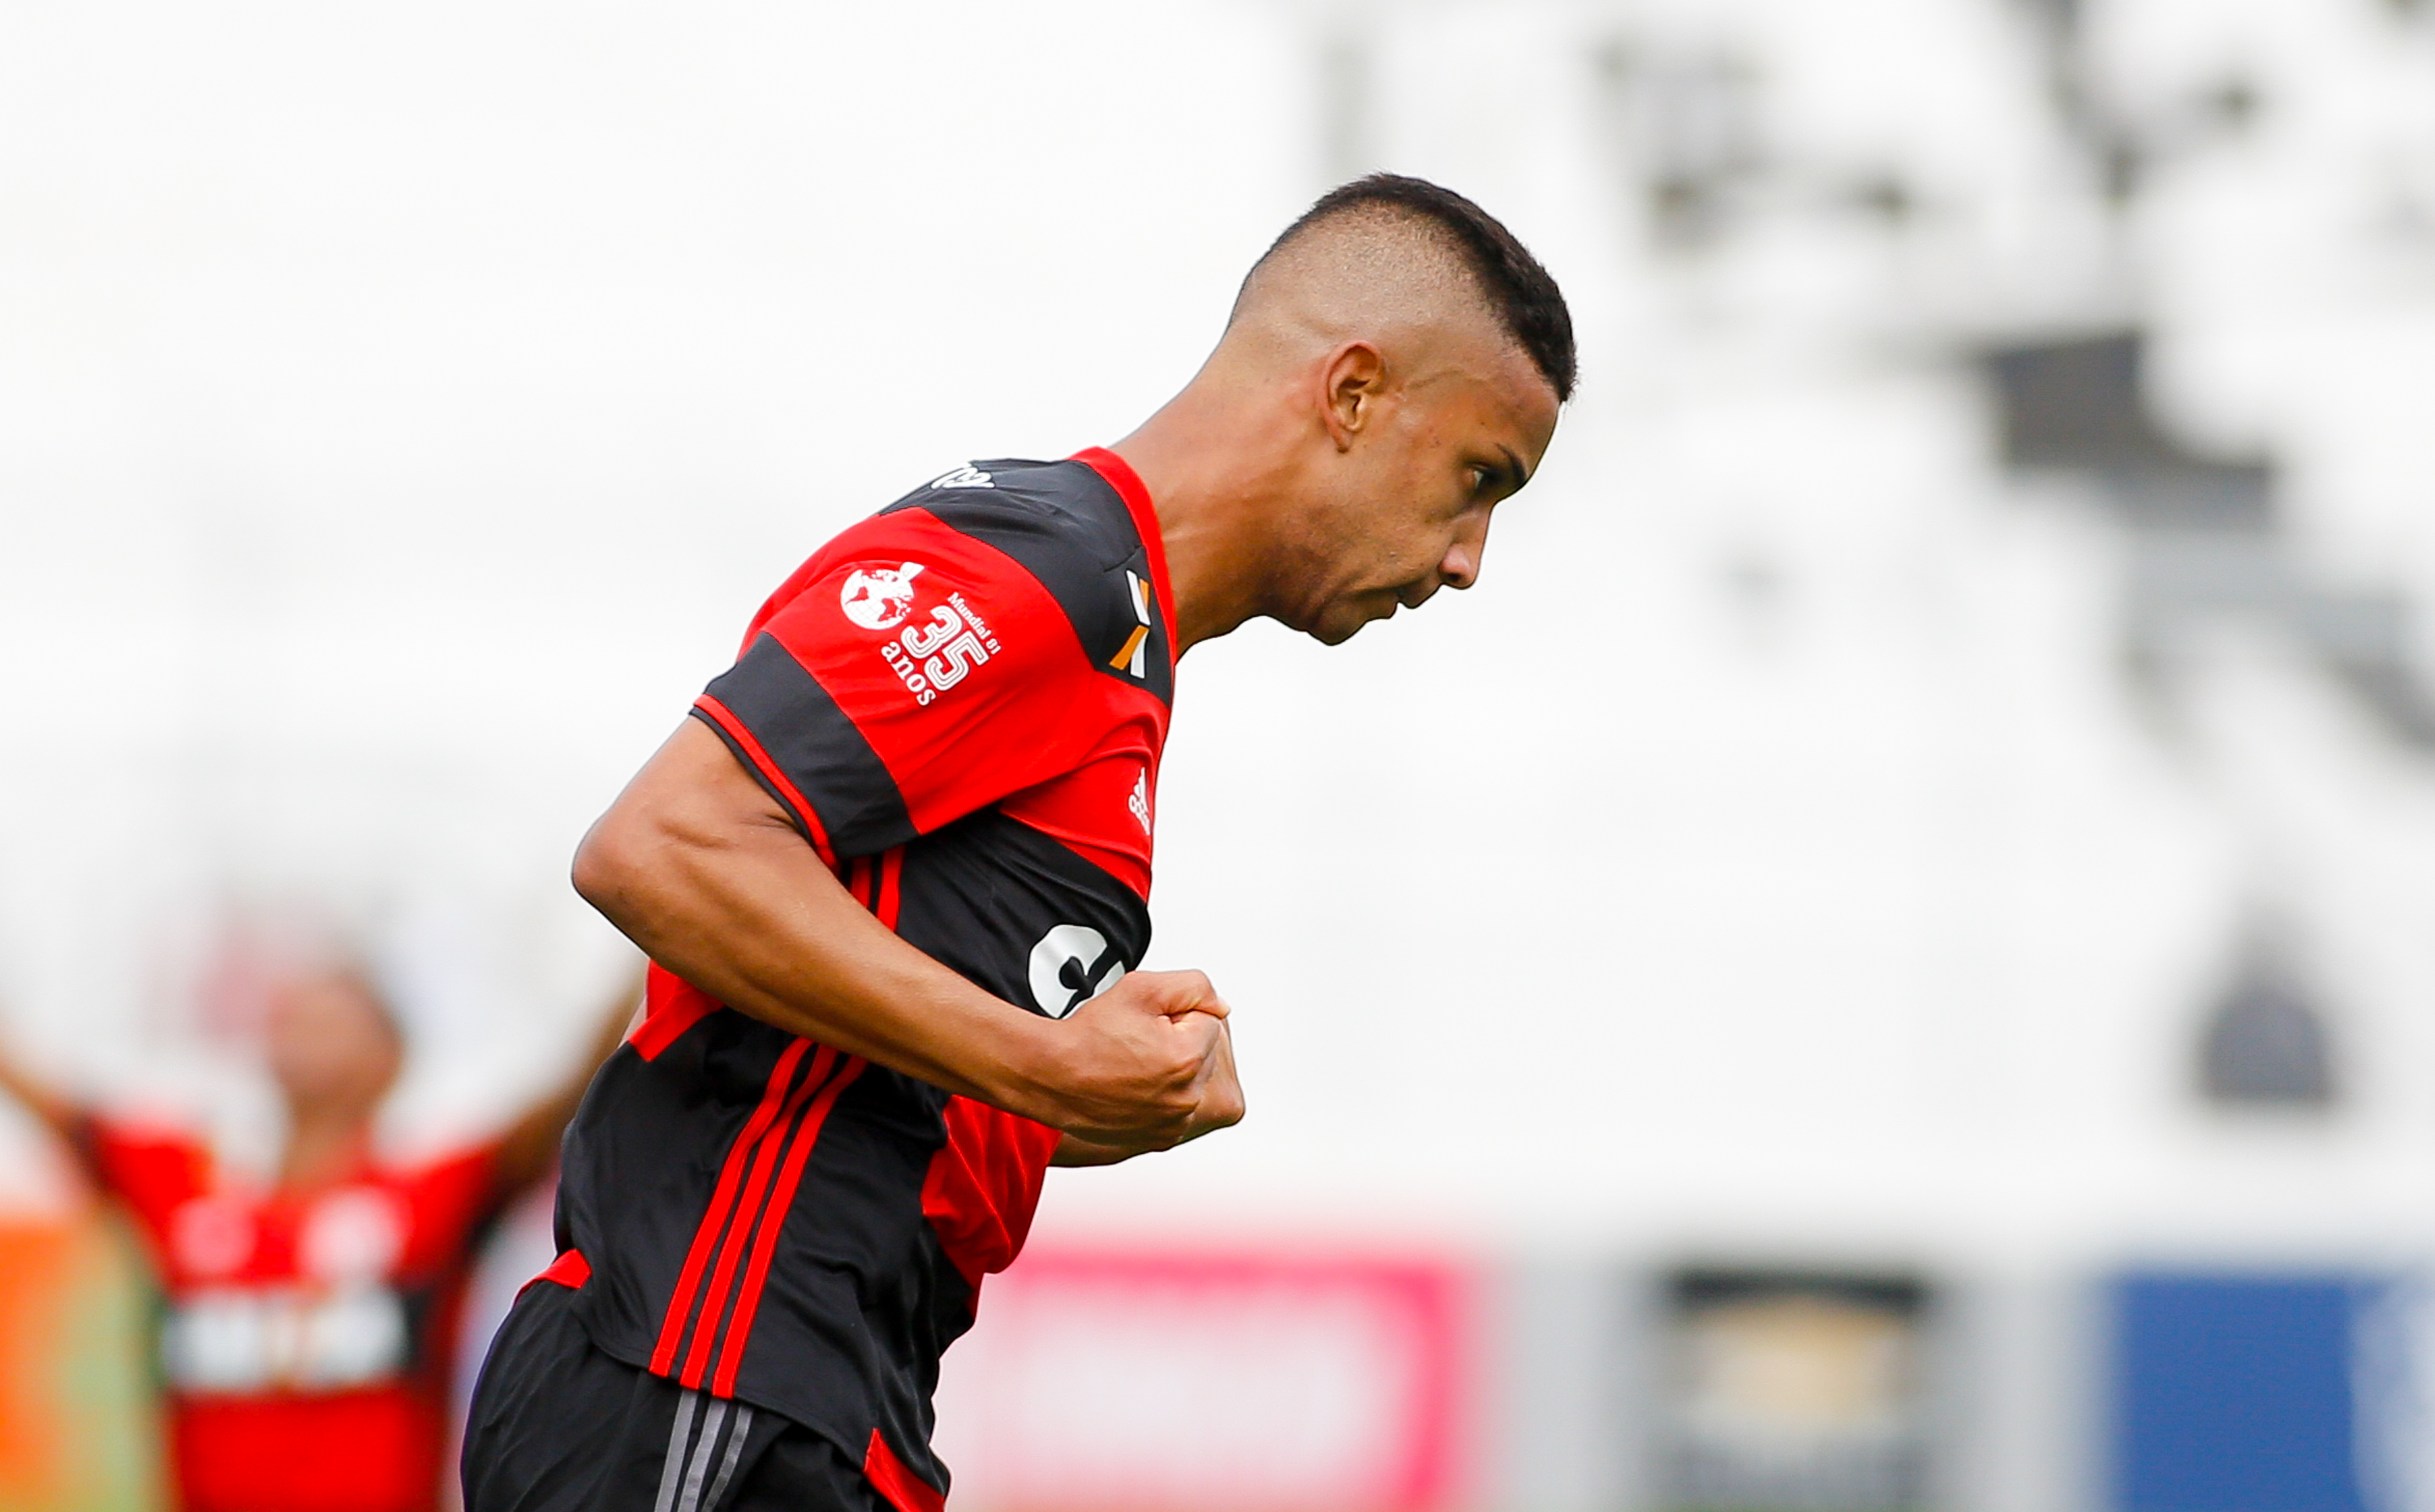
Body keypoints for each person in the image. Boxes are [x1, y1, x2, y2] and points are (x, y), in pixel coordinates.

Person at [463, 172, 1574, 1512]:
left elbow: (860, 1068)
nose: (1468, 558)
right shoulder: (1039, 569)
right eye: (1477, 479)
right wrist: (1042, 1057)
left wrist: (1090, 1095)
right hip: (704, 1374)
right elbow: (662, 845)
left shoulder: (1123, 642)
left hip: (820, 1396)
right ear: (1352, 395)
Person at [0, 951, 638, 1512]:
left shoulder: (431, 1196)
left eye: (334, 1021)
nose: (304, 1034)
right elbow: (54, 1105)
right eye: (295, 1016)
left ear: (391, 1059)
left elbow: (572, 1096)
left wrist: (643, 958)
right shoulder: (182, 1188)